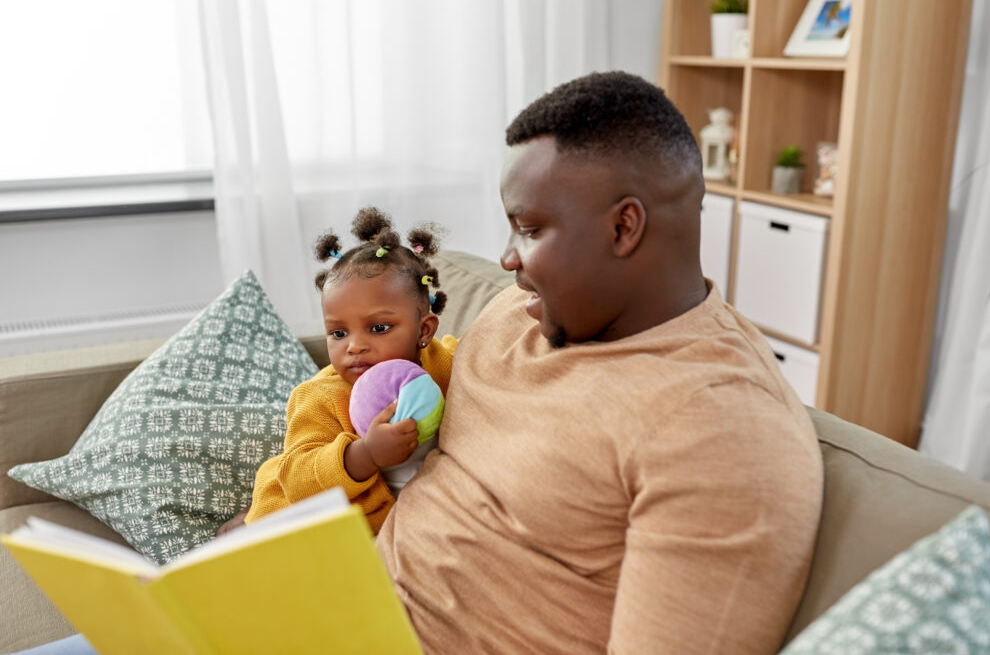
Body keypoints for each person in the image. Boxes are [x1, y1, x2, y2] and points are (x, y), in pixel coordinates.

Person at [374, 71, 824, 652]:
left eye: (530, 229)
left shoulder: (721, 429)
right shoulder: (519, 312)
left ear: (624, 226)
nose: (508, 257)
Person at [220, 206, 457, 536]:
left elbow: (483, 356)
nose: (354, 346)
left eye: (378, 327)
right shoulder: (319, 398)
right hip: (297, 514)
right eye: (339, 333)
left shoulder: (443, 362)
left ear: (424, 331)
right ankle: (243, 524)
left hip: (410, 519)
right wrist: (365, 454)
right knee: (255, 536)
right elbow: (298, 479)